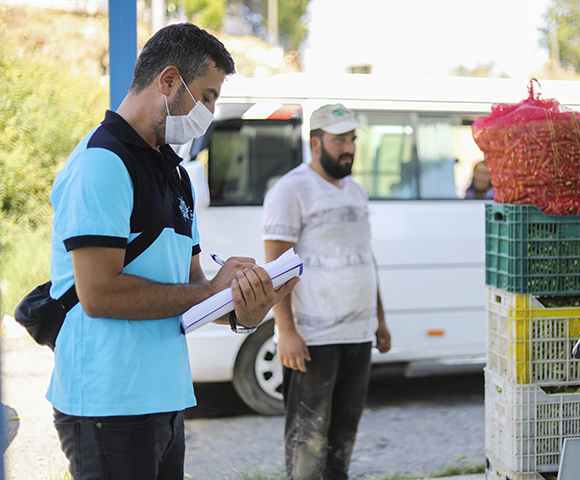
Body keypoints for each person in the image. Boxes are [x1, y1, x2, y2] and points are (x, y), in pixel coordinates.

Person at [47, 23, 297, 480]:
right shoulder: (101, 162)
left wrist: (245, 303)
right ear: (167, 81)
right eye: (207, 95)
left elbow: (192, 286)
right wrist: (210, 293)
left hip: (165, 398)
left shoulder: (175, 174)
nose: (210, 110)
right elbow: (99, 294)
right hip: (108, 402)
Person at [262, 104, 392, 480]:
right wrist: (286, 331)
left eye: (352, 139)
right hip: (313, 339)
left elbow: (366, 258)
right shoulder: (291, 190)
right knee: (309, 440)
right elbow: (276, 269)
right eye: (340, 140)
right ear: (316, 144)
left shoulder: (356, 191)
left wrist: (380, 321)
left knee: (343, 439)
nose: (348, 147)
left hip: (357, 335)